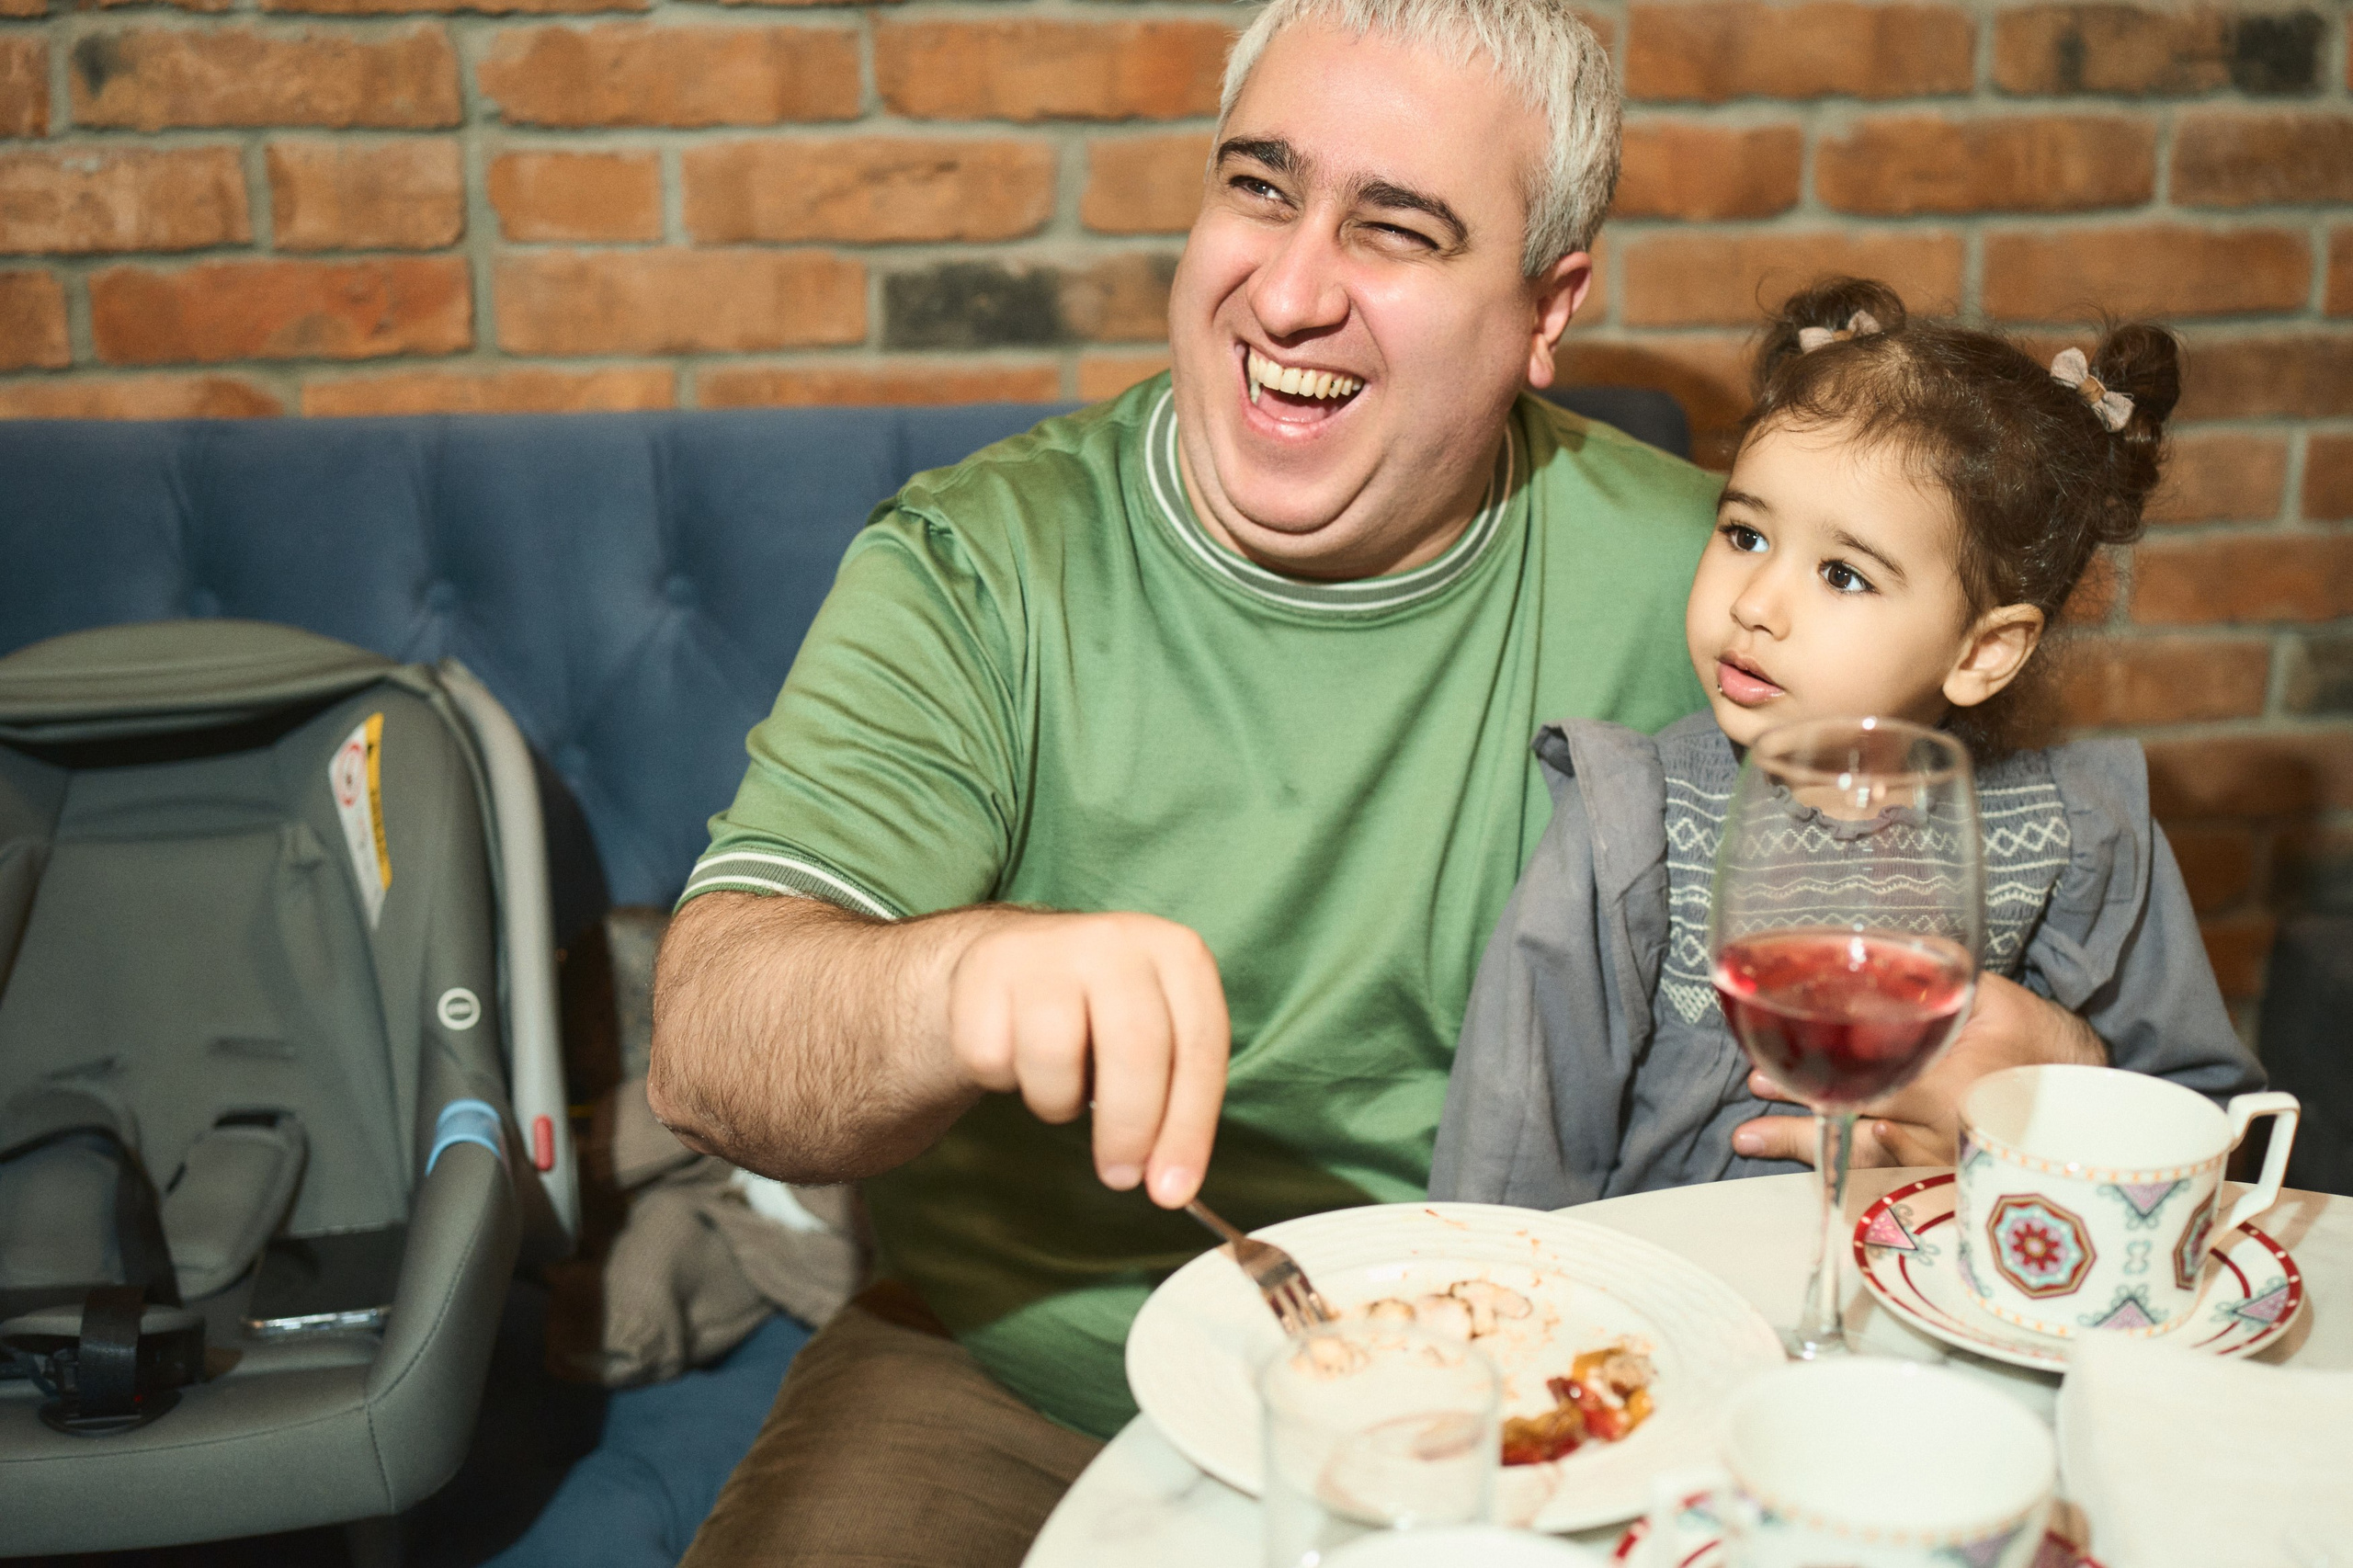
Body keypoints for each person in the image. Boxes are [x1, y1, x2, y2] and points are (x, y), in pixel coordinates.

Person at [644, 6, 2112, 1558]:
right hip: (1026, 1373)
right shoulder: (978, 569)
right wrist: (955, 979)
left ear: (1548, 306)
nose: (1287, 289)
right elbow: (713, 1040)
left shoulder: (1725, 589)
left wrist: (2011, 1089)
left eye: (1395, 230)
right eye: (1259, 188)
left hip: (1566, 1369)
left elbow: (1964, 931)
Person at [1430, 278, 2265, 1210]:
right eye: (1744, 533)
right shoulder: (1638, 823)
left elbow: (2214, 1137)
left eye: (1842, 573)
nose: (1755, 603)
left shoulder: (2075, 838)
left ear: (1983, 651)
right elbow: (1510, 1150)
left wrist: (2057, 1081)